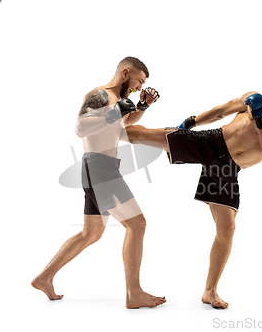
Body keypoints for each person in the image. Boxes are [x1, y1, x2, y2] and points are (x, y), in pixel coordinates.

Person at [126, 72, 262, 309]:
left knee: (227, 228)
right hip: (213, 141)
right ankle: (104, 133)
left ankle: (209, 291)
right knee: (147, 135)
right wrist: (192, 122)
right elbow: (222, 111)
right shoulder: (257, 99)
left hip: (227, 169)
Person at [32, 57, 166, 309]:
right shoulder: (100, 95)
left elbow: (122, 124)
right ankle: (134, 293)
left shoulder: (116, 101)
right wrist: (116, 111)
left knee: (91, 233)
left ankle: (44, 277)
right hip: (99, 168)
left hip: (99, 168)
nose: (139, 87)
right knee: (137, 225)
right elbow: (81, 127)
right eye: (139, 81)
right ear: (125, 72)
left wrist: (142, 106)